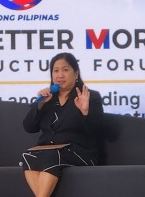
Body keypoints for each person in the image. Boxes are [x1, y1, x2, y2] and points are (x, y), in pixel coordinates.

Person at [21, 52, 104, 197]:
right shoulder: (47, 99)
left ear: (76, 73)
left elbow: (97, 130)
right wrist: (39, 105)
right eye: (56, 70)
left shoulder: (89, 96)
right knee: (28, 156)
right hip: (48, 151)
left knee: (52, 156)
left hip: (79, 152)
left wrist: (85, 112)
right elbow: (29, 127)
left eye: (65, 70)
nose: (60, 75)